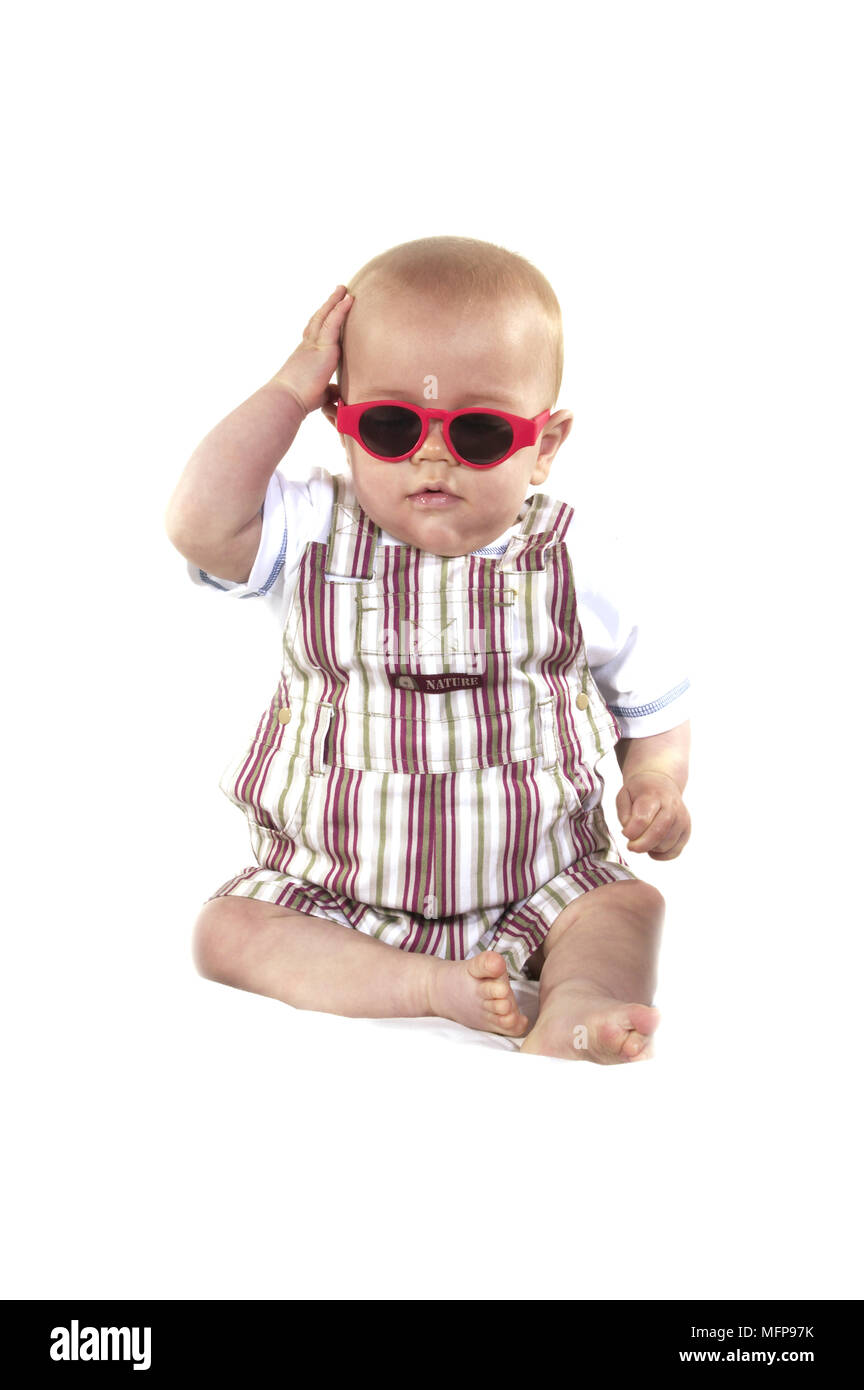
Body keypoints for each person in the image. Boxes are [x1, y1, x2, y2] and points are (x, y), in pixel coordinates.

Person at [165, 236, 691, 1063]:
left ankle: (578, 999)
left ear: (544, 445)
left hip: (541, 878)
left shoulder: (580, 559)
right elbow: (196, 522)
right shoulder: (307, 530)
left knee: (630, 908)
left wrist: (656, 783)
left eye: (480, 433)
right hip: (331, 884)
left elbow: (653, 703)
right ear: (342, 426)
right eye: (391, 424)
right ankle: (421, 986)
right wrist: (288, 388)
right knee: (226, 932)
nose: (433, 453)